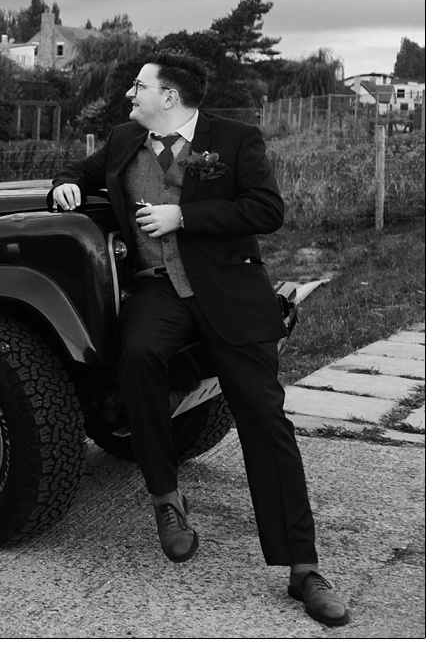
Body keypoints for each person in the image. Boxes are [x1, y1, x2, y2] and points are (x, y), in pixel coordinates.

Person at [50, 53, 349, 627]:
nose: (129, 95)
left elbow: (266, 209)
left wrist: (182, 216)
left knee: (264, 418)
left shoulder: (234, 140)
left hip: (227, 291)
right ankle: (166, 498)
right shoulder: (122, 139)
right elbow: (81, 171)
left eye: (139, 87)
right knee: (136, 356)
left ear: (170, 97)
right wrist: (66, 185)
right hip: (159, 292)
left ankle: (303, 568)